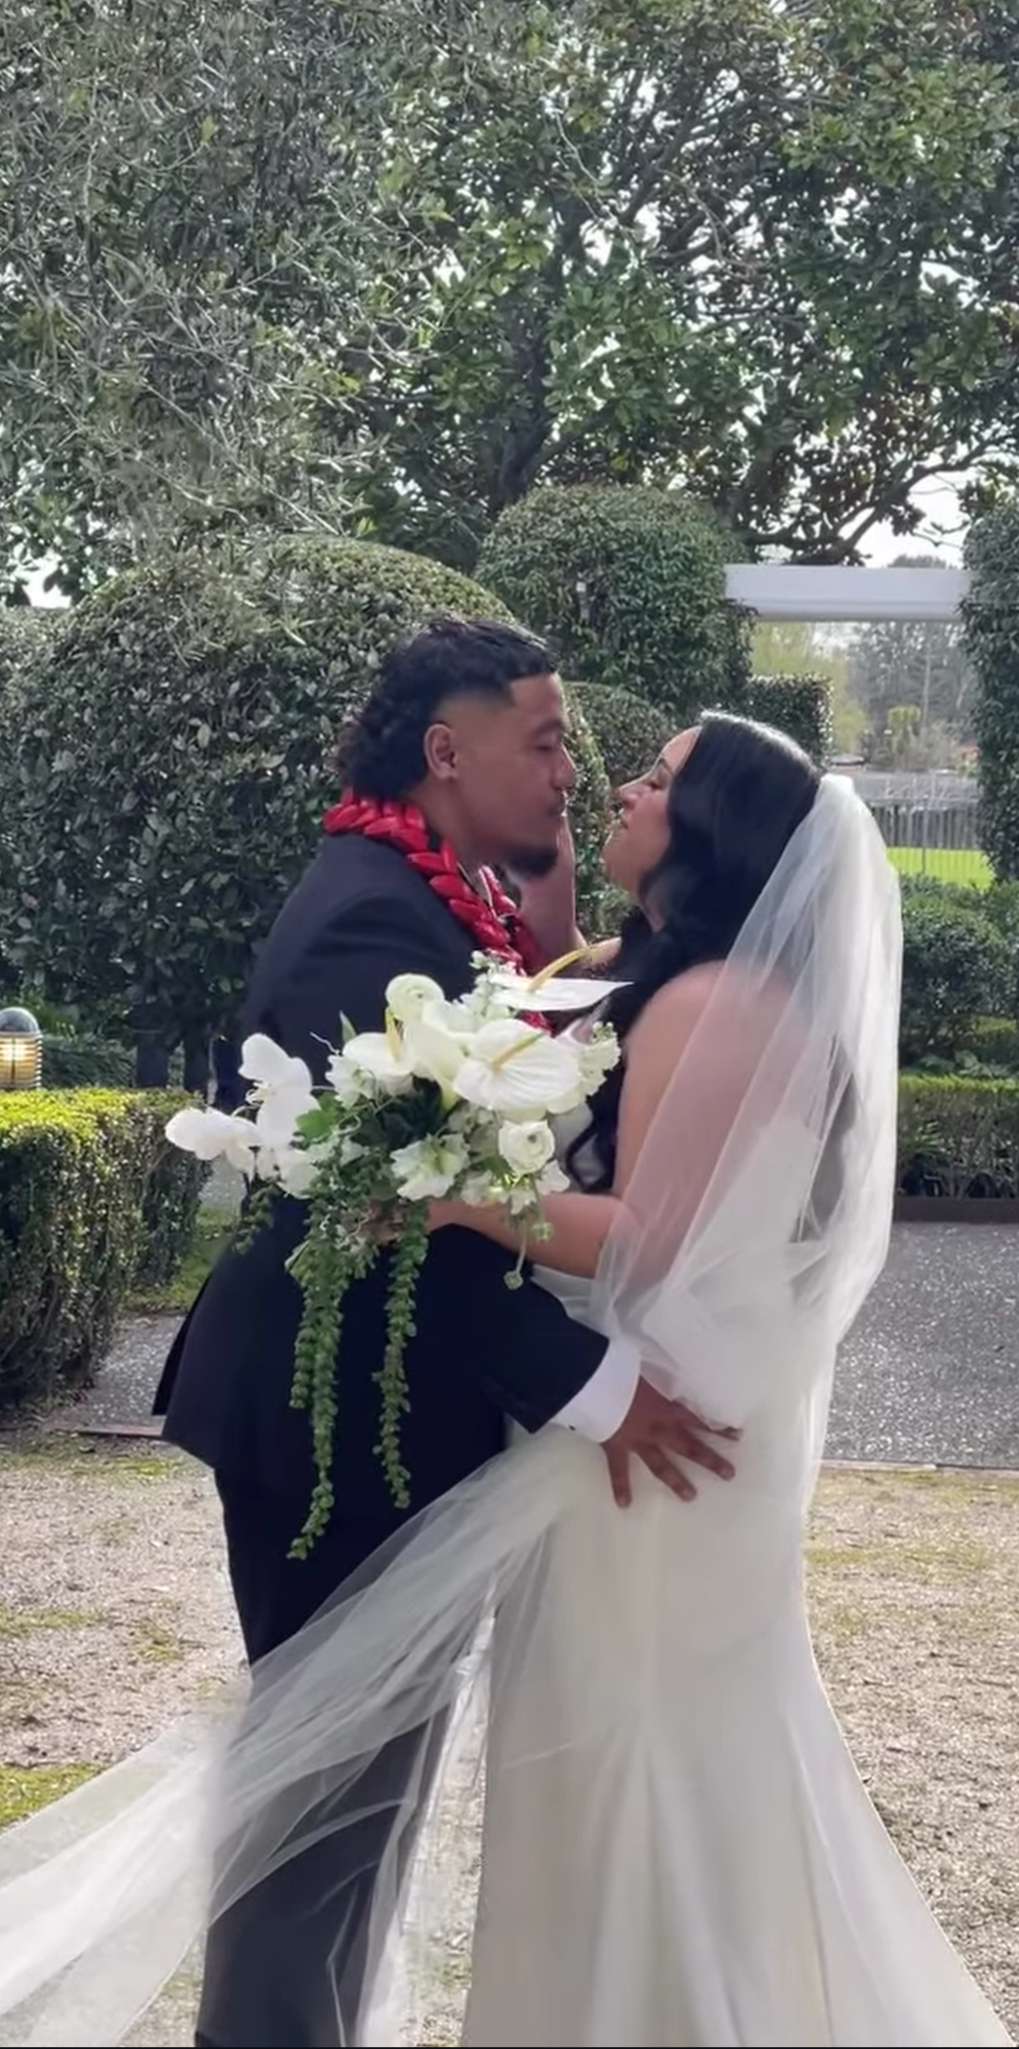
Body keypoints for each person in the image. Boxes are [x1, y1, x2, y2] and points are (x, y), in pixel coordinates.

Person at [0, 716, 1010, 2049]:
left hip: (669, 1417)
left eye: (654, 779)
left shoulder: (719, 1001)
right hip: (609, 1395)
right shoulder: (631, 971)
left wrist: (462, 1205)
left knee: (646, 1729)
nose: (622, 787)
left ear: (710, 835)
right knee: (579, 1730)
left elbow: (645, 1229)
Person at [152, 615, 733, 2048]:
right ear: (442, 750)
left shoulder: (441, 900)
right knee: (320, 1803)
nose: (565, 769)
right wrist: (602, 1388)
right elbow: (387, 1210)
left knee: (360, 1794)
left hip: (397, 1407)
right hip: (332, 1414)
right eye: (540, 740)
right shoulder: (370, 918)